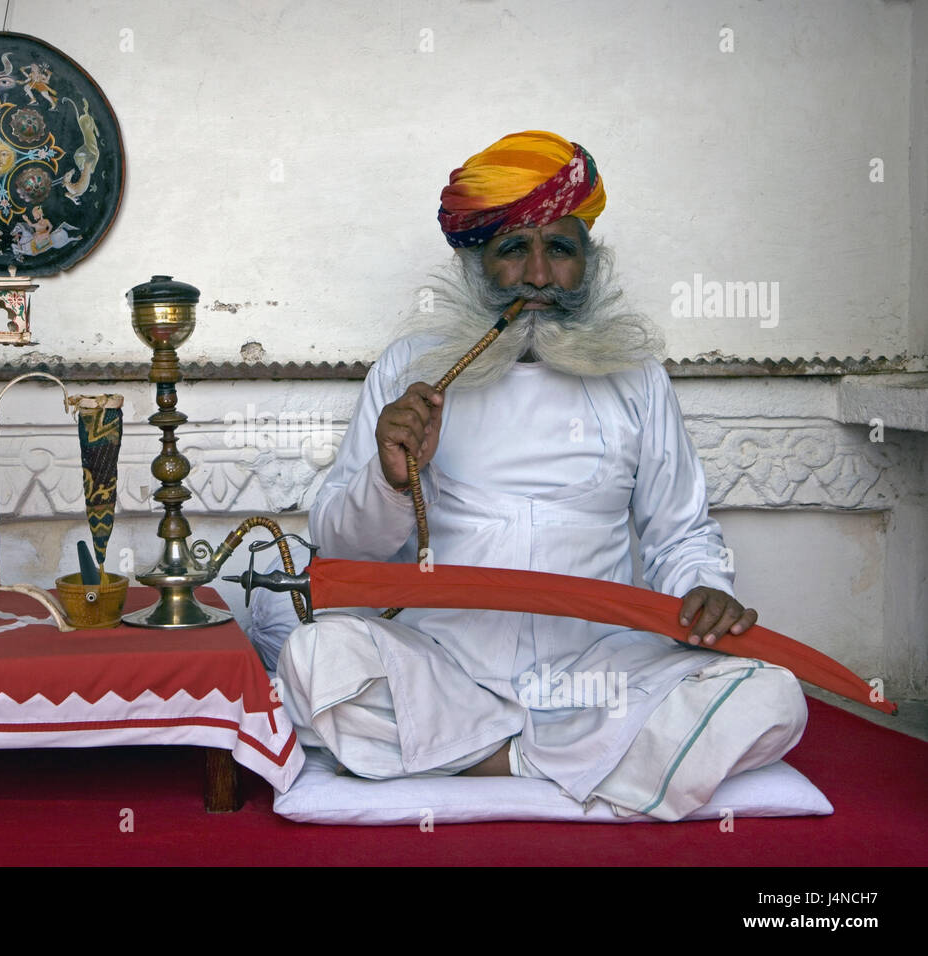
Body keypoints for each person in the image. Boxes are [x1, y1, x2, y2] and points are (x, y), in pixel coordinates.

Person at [266, 130, 807, 821]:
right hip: (446, 665)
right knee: (315, 658)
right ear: (476, 266)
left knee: (771, 695)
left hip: (600, 673)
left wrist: (704, 589)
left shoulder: (637, 378)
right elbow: (343, 548)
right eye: (514, 249)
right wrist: (390, 477)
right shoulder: (409, 371)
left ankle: (488, 760)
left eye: (561, 249)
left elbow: (680, 533)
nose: (540, 277)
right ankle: (584, 764)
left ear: (591, 263)